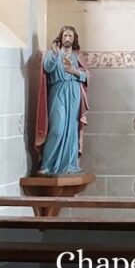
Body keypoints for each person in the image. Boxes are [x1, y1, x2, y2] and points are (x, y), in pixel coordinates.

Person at [35, 26, 89, 176]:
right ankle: (46, 166)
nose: (67, 39)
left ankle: (69, 166)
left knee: (71, 130)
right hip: (58, 91)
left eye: (70, 36)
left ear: (74, 39)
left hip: (74, 92)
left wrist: (75, 71)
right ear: (60, 37)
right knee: (57, 129)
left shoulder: (78, 56)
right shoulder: (53, 54)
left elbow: (87, 76)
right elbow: (48, 68)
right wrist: (55, 53)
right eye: (65, 36)